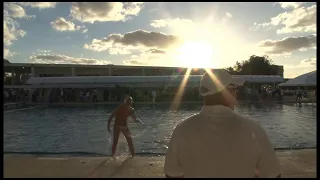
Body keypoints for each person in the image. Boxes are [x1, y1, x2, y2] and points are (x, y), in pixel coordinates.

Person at [164, 69, 281, 178]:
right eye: (235, 89)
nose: (236, 93)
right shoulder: (253, 130)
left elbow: (172, 173)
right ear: (229, 92)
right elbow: (273, 174)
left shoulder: (182, 130)